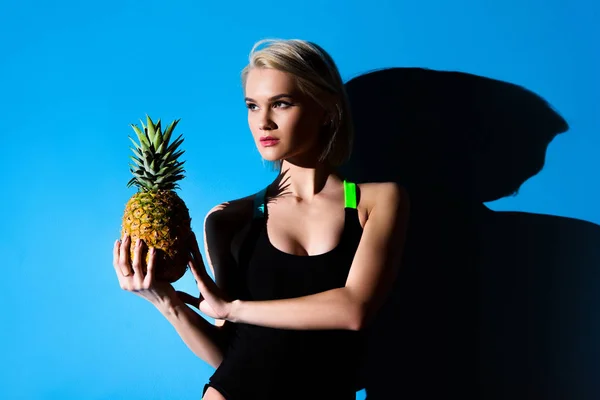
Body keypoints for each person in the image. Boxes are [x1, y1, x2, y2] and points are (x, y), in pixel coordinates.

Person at [112, 39, 410, 400]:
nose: (263, 122)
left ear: (327, 109)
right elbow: (228, 355)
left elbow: (354, 309)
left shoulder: (378, 201)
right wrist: (164, 300)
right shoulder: (230, 220)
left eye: (281, 104)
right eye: (252, 107)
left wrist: (234, 309)